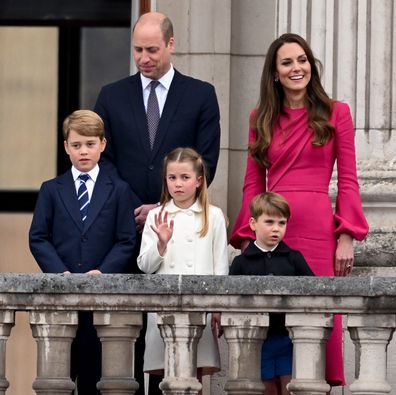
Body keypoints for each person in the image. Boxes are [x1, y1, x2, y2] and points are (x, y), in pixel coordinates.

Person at [230, 33, 369, 387]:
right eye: (287, 62)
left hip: (320, 234)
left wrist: (347, 235)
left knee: (318, 320)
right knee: (272, 325)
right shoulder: (259, 116)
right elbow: (252, 183)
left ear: (311, 65)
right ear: (275, 73)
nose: (297, 68)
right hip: (275, 230)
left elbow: (349, 179)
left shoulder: (337, 113)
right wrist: (249, 237)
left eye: (302, 60)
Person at [29, 110, 136, 395]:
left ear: (103, 144)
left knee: (94, 378)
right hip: (61, 301)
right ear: (66, 147)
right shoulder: (51, 189)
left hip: (101, 302)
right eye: (76, 145)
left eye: (90, 144)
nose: (83, 151)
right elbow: (38, 237)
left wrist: (103, 272)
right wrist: (59, 273)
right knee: (57, 380)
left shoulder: (120, 190)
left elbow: (126, 240)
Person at [94, 11, 220, 237]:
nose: (143, 58)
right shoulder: (111, 96)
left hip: (180, 227)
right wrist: (131, 205)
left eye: (152, 50)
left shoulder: (201, 95)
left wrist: (165, 208)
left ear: (170, 44)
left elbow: (206, 162)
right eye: (138, 50)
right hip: (122, 225)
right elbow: (101, 158)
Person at [137, 147, 228, 391]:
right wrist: (161, 244)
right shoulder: (157, 214)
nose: (178, 184)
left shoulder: (214, 216)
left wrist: (219, 307)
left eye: (185, 178)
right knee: (163, 376)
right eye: (172, 178)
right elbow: (145, 266)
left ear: (198, 181)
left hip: (200, 308)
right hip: (163, 309)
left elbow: (220, 266)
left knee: (194, 377)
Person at [230, 192, 314, 395]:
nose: (276, 228)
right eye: (269, 222)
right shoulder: (242, 262)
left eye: (282, 223)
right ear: (253, 223)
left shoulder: (294, 258)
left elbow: (313, 290)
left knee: (289, 386)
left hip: (288, 337)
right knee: (266, 387)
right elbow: (230, 298)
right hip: (257, 338)